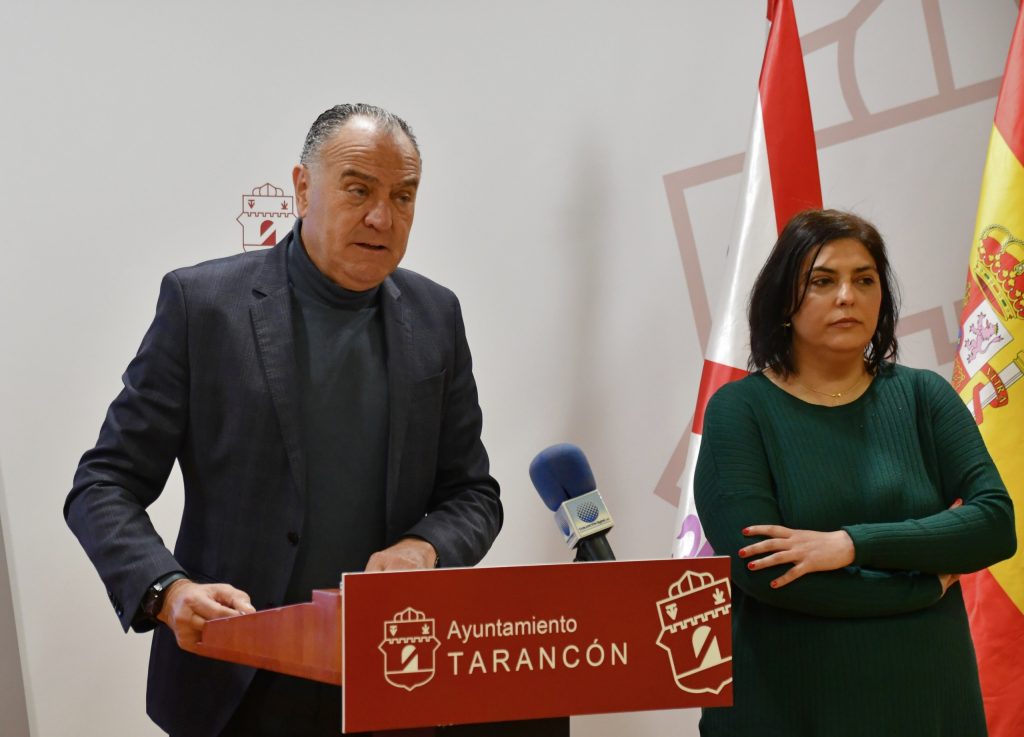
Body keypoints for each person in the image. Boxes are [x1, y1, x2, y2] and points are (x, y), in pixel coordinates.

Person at [64, 104, 503, 737]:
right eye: (359, 190)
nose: (382, 217)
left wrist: (426, 547)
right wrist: (167, 590)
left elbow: (473, 494)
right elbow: (103, 485)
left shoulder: (437, 315)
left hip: (392, 674)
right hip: (234, 682)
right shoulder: (202, 306)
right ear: (302, 188)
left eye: (403, 197)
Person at [694, 209, 1016, 736]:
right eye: (823, 281)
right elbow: (766, 572)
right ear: (782, 301)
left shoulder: (924, 396)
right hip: (789, 707)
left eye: (864, 280)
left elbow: (995, 525)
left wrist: (850, 545)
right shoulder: (738, 411)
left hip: (928, 703)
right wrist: (921, 589)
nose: (847, 296)